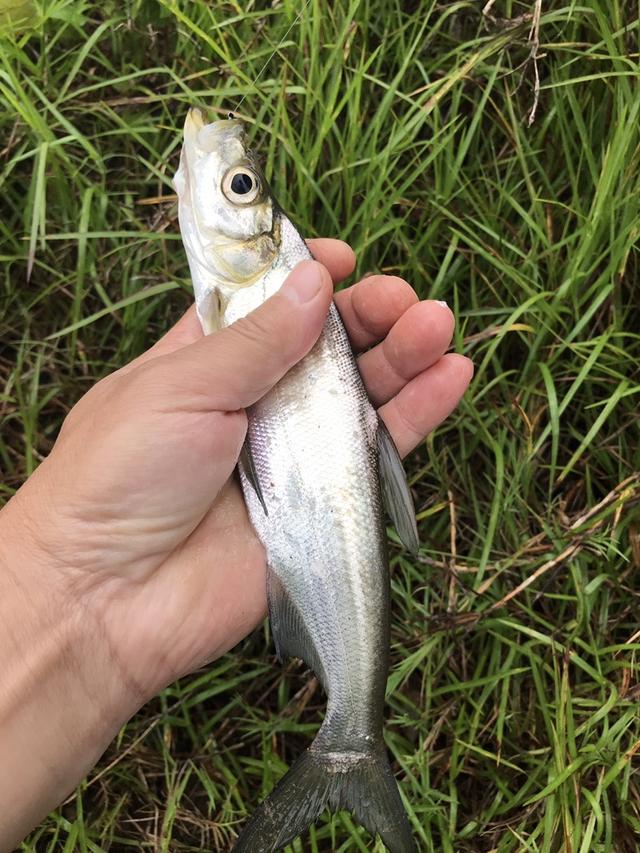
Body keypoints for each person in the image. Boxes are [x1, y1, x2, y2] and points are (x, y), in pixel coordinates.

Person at [0, 239, 473, 849]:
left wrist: (61, 590)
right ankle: (349, 740)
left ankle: (351, 739)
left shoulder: (268, 288)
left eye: (240, 188)